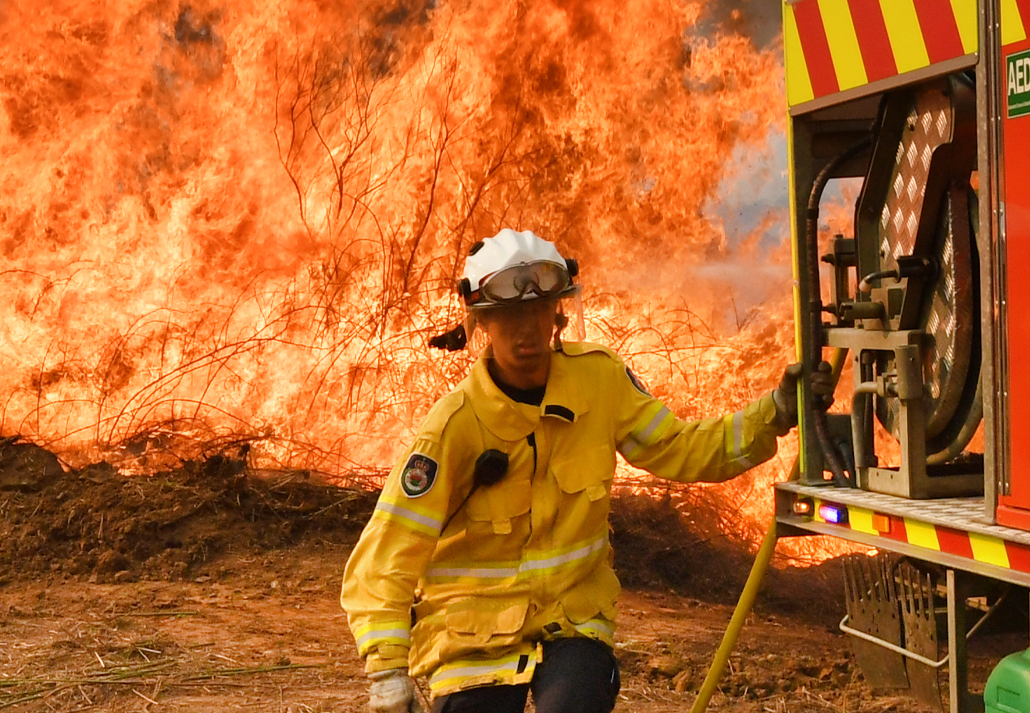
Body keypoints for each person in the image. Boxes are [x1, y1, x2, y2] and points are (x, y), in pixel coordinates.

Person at [341, 228, 834, 713]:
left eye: (538, 311)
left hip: (571, 623)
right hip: (470, 639)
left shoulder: (600, 383)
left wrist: (774, 413)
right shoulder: (455, 425)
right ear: (480, 325)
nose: (526, 329)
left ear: (558, 314)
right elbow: (385, 556)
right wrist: (387, 673)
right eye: (508, 315)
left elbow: (683, 448)